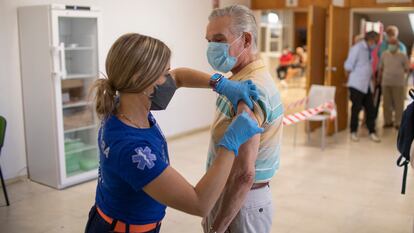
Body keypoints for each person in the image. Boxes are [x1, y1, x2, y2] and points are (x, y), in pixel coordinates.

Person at [84, 33, 264, 233]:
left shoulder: (124, 104)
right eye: (164, 73)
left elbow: (179, 77)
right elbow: (199, 203)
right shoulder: (132, 149)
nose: (168, 79)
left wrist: (221, 84)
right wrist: (230, 143)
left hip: (115, 218)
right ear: (140, 79)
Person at [203, 5, 284, 233]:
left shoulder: (252, 89)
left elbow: (244, 175)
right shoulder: (238, 82)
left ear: (246, 40)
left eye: (219, 39)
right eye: (209, 41)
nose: (211, 48)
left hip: (240, 203)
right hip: (229, 197)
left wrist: (217, 228)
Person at [344, 31, 381, 143]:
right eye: (376, 41)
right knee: (356, 109)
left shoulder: (369, 50)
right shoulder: (357, 48)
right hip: (357, 84)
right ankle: (353, 132)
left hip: (366, 85)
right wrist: (348, 81)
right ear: (370, 39)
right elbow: (348, 66)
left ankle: (372, 132)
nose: (376, 44)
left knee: (370, 109)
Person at [379, 38, 410, 129]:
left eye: (393, 44)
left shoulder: (402, 55)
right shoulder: (384, 54)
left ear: (397, 45)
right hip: (386, 82)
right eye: (390, 44)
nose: (391, 45)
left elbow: (407, 69)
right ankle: (387, 121)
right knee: (386, 103)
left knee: (398, 103)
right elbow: (381, 67)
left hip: (398, 83)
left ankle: (398, 122)